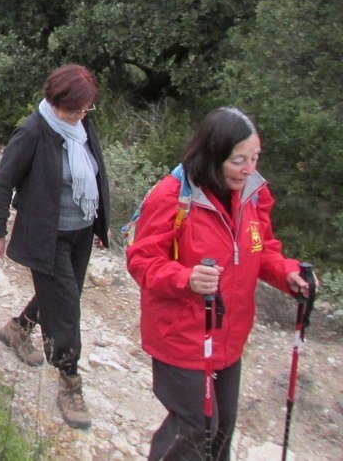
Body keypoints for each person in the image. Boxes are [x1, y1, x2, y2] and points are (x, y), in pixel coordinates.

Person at [126, 107, 312, 460]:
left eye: (254, 158)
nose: (249, 169)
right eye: (238, 160)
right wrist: (186, 278)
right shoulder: (173, 196)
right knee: (196, 428)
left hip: (229, 334)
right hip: (180, 334)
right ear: (213, 155)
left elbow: (261, 249)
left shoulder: (253, 194)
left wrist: (287, 274)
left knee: (222, 427)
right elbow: (141, 260)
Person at [0, 64, 110, 430]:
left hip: (81, 231)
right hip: (47, 235)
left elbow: (97, 172)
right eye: (74, 109)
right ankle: (70, 383)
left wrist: (100, 224)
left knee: (61, 296)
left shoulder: (82, 126)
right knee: (67, 311)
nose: (80, 116)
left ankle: (17, 329)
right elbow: (2, 183)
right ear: (54, 100)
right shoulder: (32, 131)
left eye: (86, 109)